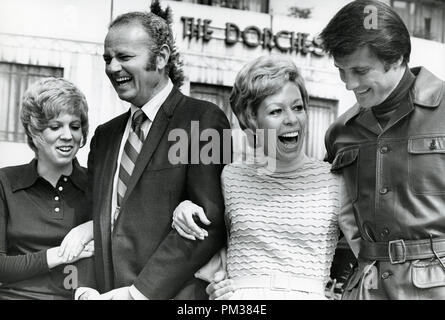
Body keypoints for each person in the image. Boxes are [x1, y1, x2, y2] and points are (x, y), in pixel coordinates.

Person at [172, 55, 358, 300]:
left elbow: (368, 255)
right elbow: (212, 240)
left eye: (298, 107)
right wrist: (182, 207)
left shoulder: (335, 180)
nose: (291, 119)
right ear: (252, 119)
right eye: (276, 111)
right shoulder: (231, 177)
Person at [77, 11, 229, 300]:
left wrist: (139, 293)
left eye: (124, 57)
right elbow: (95, 222)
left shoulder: (204, 121)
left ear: (161, 58)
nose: (112, 67)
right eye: (107, 59)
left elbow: (209, 222)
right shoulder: (104, 137)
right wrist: (87, 289)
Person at [319, 0, 445, 299]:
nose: (349, 84)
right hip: (366, 288)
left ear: (397, 57)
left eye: (360, 71)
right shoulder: (340, 132)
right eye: (341, 70)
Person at [0, 77, 95, 300]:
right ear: (35, 132)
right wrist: (61, 255)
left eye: (75, 126)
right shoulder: (5, 182)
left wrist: (91, 227)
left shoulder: (97, 184)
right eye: (55, 127)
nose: (67, 136)